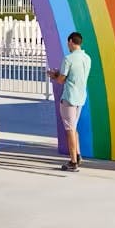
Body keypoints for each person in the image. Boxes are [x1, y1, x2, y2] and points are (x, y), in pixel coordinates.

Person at [48, 31, 91, 172]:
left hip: (69, 98)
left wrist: (54, 75)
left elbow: (61, 79)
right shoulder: (87, 58)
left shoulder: (68, 59)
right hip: (80, 97)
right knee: (74, 127)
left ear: (72, 41)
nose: (68, 45)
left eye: (68, 43)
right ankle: (77, 155)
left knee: (70, 130)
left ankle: (73, 162)